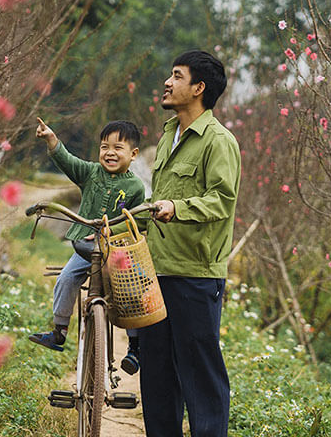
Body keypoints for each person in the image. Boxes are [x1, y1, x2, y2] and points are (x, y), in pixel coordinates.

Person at [142, 50, 241, 437]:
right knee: (158, 379)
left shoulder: (219, 142)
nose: (168, 82)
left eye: (177, 76)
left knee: (201, 379)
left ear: (199, 88)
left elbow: (222, 199)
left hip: (195, 277)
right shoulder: (169, 134)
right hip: (157, 271)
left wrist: (176, 207)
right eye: (170, 74)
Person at [28, 117, 146, 375]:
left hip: (117, 252)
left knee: (132, 290)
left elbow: (140, 220)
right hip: (86, 248)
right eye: (105, 147)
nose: (110, 153)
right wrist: (51, 140)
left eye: (118, 147)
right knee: (67, 278)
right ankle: (58, 332)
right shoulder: (91, 172)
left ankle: (135, 348)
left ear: (133, 154)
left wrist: (110, 231)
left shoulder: (135, 187)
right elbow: (68, 161)